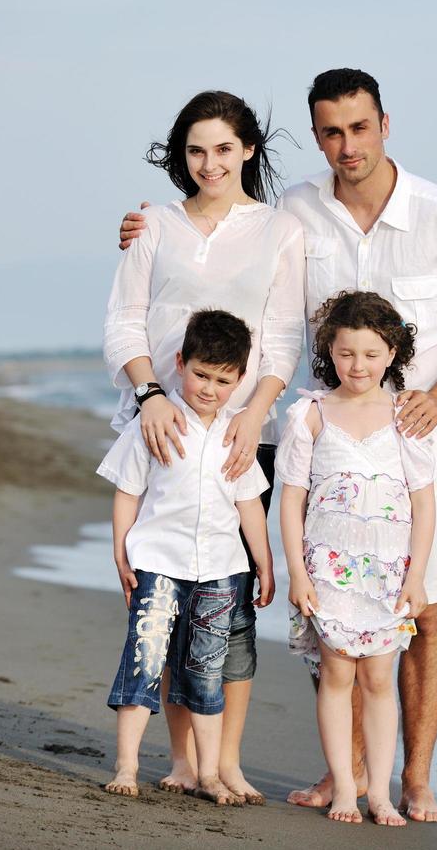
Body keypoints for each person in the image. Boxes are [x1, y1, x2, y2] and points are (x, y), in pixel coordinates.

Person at [120, 68, 437, 822]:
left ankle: (416, 781)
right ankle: (349, 775)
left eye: (360, 128)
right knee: (327, 605)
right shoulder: (296, 210)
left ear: (385, 124)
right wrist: (148, 229)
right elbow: (227, 237)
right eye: (332, 132)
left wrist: (436, 398)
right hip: (319, 437)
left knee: (423, 606)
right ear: (316, 135)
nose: (347, 146)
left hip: (416, 439)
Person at [104, 89, 304, 804]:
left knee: (228, 604)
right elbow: (125, 323)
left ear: (248, 148)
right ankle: (184, 760)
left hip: (245, 431)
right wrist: (150, 396)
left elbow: (282, 336)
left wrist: (256, 413)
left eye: (223, 148)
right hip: (159, 423)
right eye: (195, 150)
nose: (209, 163)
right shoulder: (153, 225)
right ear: (180, 156)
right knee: (166, 592)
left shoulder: (280, 230)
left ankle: (228, 763)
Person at [98, 309, 276, 805]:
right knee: (146, 658)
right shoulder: (153, 425)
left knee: (206, 668)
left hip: (221, 569)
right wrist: (120, 548)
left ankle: (212, 773)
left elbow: (248, 507)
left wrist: (263, 562)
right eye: (200, 374)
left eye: (223, 380)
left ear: (240, 380)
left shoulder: (235, 435)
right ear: (179, 363)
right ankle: (127, 764)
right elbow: (128, 492)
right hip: (157, 561)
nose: (209, 388)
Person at [275, 291, 435, 826]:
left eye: (370, 354)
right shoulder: (310, 414)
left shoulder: (404, 416)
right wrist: (297, 572)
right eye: (346, 354)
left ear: (391, 353)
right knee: (336, 678)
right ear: (329, 351)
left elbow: (423, 501)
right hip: (327, 570)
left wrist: (417, 577)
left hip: (389, 576)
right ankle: (345, 786)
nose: (358, 366)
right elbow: (292, 496)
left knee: (380, 682)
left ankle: (382, 795)